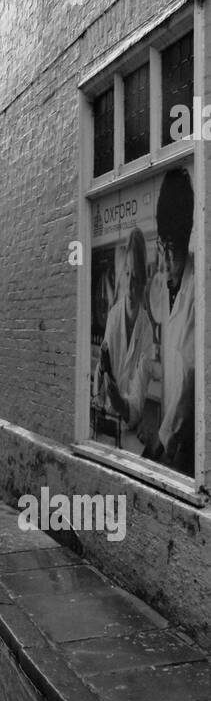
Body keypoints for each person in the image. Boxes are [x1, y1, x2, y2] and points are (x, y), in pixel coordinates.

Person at [144, 169, 195, 474]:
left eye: (174, 250)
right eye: (164, 247)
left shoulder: (198, 290)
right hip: (168, 437)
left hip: (188, 445)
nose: (166, 261)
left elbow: (191, 378)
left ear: (188, 238)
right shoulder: (164, 288)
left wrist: (162, 439)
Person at [94, 227, 153, 436]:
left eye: (136, 277)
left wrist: (120, 403)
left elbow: (136, 408)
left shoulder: (147, 332)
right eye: (127, 273)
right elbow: (100, 373)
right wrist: (100, 375)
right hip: (105, 420)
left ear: (144, 281)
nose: (130, 284)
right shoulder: (113, 316)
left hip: (128, 430)